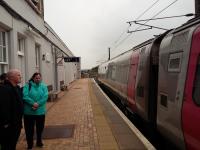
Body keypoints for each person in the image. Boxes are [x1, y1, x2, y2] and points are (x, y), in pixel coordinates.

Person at [23, 72, 48, 150]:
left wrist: (38, 104)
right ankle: (30, 144)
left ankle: (39, 141)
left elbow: (45, 96)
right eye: (36, 78)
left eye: (39, 78)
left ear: (41, 78)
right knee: (29, 130)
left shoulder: (43, 86)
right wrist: (33, 103)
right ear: (33, 78)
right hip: (29, 112)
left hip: (40, 112)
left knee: (40, 128)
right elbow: (25, 96)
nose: (38, 79)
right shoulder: (27, 86)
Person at [0, 69, 23, 150]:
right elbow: (3, 108)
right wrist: (6, 123)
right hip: (9, 127)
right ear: (12, 77)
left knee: (12, 145)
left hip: (16, 124)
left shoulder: (16, 88)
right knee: (7, 146)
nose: (21, 77)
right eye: (19, 75)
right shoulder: (5, 89)